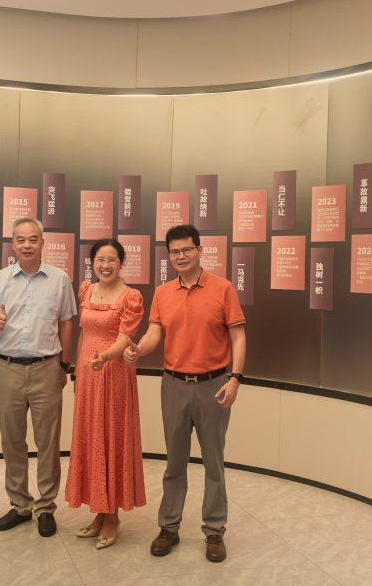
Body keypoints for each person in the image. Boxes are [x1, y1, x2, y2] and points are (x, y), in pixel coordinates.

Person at [123, 224, 246, 564]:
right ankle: (169, 527)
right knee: (174, 462)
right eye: (174, 252)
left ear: (199, 250)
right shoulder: (163, 292)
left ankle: (214, 530)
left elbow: (238, 337)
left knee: (213, 462)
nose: (181, 256)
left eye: (187, 249)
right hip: (174, 385)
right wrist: (139, 350)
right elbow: (154, 332)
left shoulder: (223, 288)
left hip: (214, 385)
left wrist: (235, 378)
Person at [0, 217, 77, 538]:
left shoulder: (59, 279)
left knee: (48, 441)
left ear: (42, 243)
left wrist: (63, 365)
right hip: (7, 369)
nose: (27, 245)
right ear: (13, 245)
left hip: (47, 368)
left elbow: (66, 323)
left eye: (33, 239)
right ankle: (20, 504)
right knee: (12, 440)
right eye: (21, 240)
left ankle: (46, 507)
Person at [66, 238, 145, 550]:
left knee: (111, 438)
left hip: (114, 375)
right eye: (100, 259)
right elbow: (84, 333)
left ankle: (112, 517)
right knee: (91, 438)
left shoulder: (131, 296)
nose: (106, 265)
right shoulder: (86, 290)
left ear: (121, 263)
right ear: (92, 262)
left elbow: (125, 340)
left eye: (112, 259)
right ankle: (99, 511)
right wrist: (77, 369)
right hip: (88, 374)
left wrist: (105, 357)